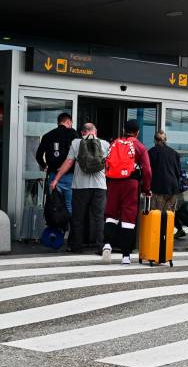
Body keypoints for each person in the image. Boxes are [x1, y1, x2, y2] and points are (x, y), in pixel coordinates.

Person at [50, 122, 110, 254]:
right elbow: (109, 165)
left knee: (78, 218)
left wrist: (56, 179)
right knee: (99, 218)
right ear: (95, 132)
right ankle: (101, 247)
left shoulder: (76, 143)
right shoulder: (105, 144)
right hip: (99, 187)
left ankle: (77, 246)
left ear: (83, 132)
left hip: (80, 187)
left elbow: (69, 162)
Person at [101, 119, 152, 265]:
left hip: (113, 182)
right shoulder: (139, 147)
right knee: (128, 218)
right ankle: (126, 256)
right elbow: (147, 170)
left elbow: (106, 163)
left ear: (124, 129)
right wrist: (146, 189)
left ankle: (107, 245)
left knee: (111, 215)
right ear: (137, 132)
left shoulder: (114, 143)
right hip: (131, 183)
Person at [36, 112, 78, 214]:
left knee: (54, 204)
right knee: (69, 204)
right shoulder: (73, 134)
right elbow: (77, 155)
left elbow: (38, 156)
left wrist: (45, 166)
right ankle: (69, 229)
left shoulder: (47, 136)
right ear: (68, 122)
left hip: (53, 175)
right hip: (69, 176)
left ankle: (56, 228)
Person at [147, 130, 182, 212]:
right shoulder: (174, 153)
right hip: (173, 188)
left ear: (155, 140)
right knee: (169, 216)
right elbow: (178, 172)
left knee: (157, 216)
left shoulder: (151, 152)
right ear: (165, 140)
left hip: (159, 188)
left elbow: (148, 171)